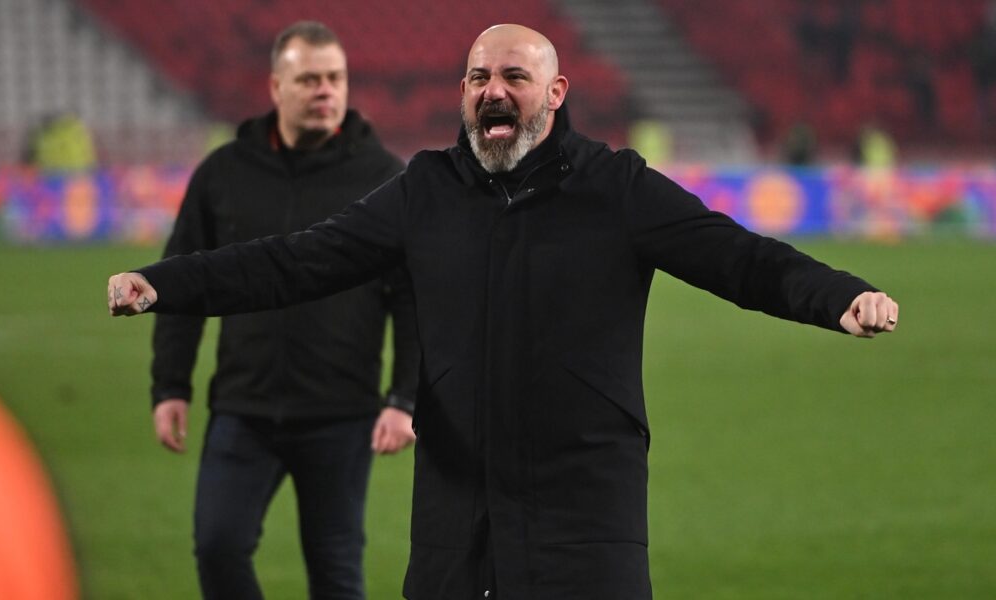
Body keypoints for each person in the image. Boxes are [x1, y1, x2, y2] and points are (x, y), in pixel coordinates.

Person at [109, 24, 899, 600]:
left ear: (555, 94)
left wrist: (839, 299)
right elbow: (296, 261)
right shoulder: (425, 190)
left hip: (588, 510)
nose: (494, 90)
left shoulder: (616, 188)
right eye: (479, 76)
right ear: (462, 92)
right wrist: (167, 283)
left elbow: (741, 259)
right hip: (459, 515)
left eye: (515, 77)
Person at [147, 21, 418, 600]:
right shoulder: (223, 173)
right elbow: (183, 282)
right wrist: (170, 385)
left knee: (336, 573)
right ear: (276, 87)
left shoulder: (386, 180)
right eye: (310, 79)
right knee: (218, 547)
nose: (326, 91)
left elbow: (413, 301)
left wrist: (404, 399)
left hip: (341, 413)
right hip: (243, 408)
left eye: (336, 79)